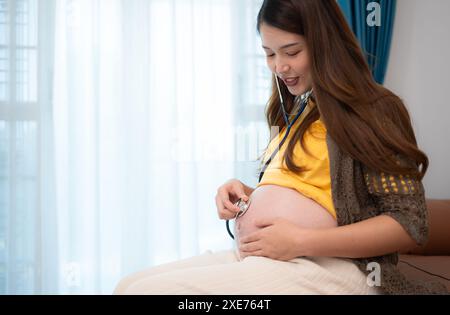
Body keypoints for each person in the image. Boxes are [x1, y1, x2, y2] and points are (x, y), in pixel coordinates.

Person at [114, 0, 448, 295]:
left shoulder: (374, 108)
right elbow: (308, 189)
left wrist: (299, 240)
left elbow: (409, 224)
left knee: (145, 292)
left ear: (325, 44)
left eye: (291, 52)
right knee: (127, 286)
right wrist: (248, 195)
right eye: (269, 53)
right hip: (275, 258)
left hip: (335, 266)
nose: (279, 67)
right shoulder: (295, 108)